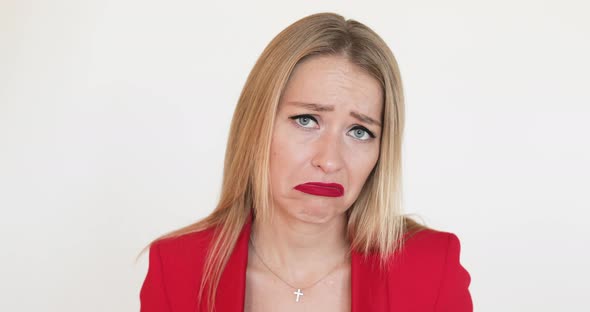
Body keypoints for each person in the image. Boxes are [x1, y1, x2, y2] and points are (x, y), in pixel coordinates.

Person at [139, 12, 472, 312]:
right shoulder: (177, 268)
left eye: (359, 131)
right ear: (255, 125)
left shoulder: (431, 268)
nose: (329, 161)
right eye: (307, 120)